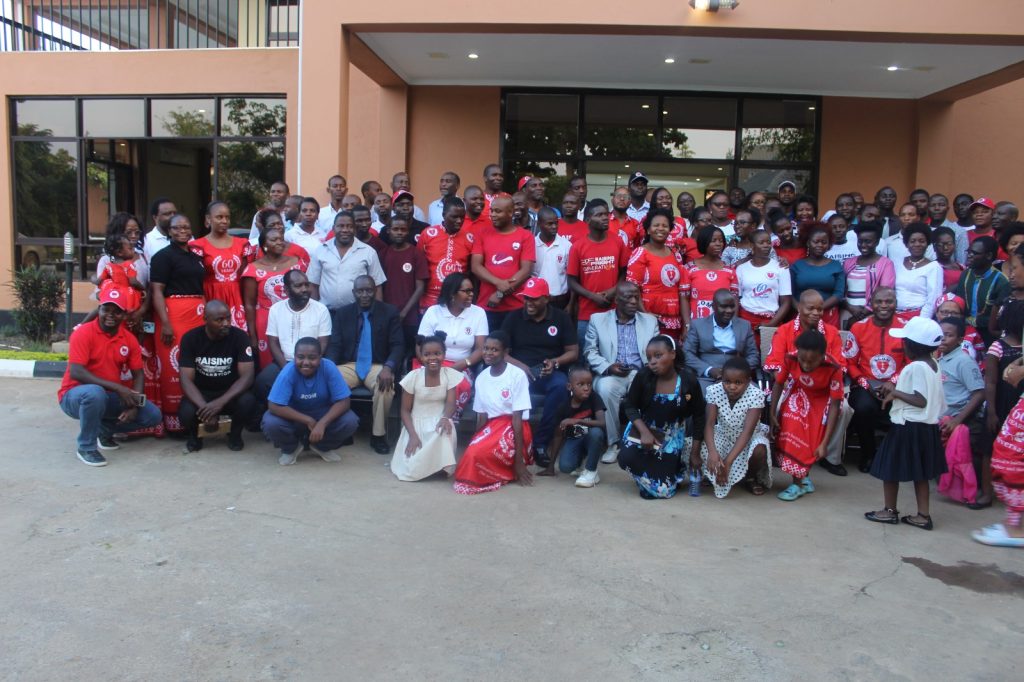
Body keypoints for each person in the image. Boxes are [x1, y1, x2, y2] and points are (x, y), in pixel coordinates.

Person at [57, 290, 163, 466]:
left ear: (124, 315)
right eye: (106, 309)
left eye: (117, 311)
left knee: (152, 415)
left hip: (107, 396)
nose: (110, 315)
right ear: (98, 310)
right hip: (73, 396)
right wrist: (118, 388)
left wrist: (134, 406)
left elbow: (138, 374)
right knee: (95, 393)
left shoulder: (128, 339)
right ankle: (86, 447)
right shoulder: (83, 333)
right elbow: (76, 372)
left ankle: (103, 431)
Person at [864, 317, 946, 530]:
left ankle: (889, 510)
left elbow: (920, 400)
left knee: (890, 468)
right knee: (921, 474)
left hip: (908, 425)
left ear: (913, 345)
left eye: (905, 341)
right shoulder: (933, 364)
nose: (903, 345)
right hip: (926, 426)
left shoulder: (916, 367)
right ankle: (923, 515)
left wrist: (895, 392)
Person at [500, 277, 579, 465]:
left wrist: (555, 362)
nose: (529, 302)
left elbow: (573, 352)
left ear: (546, 299)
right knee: (504, 386)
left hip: (547, 372)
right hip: (518, 372)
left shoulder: (561, 318)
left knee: (561, 386)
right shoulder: (513, 317)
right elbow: (501, 353)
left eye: (534, 299)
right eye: (526, 298)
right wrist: (521, 367)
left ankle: (541, 443)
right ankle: (507, 440)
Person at [618, 335, 706, 499]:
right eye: (649, 357)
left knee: (662, 492)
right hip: (642, 429)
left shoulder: (688, 380)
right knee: (625, 458)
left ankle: (662, 475)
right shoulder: (644, 375)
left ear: (672, 354)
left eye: (658, 356)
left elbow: (699, 415)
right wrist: (644, 432)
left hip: (671, 437)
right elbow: (629, 405)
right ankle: (651, 477)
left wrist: (695, 453)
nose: (652, 362)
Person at [583, 281, 659, 464]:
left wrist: (649, 369)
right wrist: (609, 367)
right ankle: (614, 443)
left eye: (636, 297)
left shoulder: (649, 321)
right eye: (628, 298)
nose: (633, 301)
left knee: (651, 387)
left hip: (641, 372)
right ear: (616, 300)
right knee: (605, 388)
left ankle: (643, 440)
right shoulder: (598, 320)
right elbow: (589, 351)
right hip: (611, 373)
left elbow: (657, 351)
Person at [326, 275, 404, 454]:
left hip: (377, 365)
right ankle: (342, 429)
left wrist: (388, 367)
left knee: (385, 386)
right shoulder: (342, 313)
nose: (365, 295)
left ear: (375, 291)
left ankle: (378, 435)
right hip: (349, 364)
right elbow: (335, 345)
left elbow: (398, 345)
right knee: (328, 380)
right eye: (360, 291)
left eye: (369, 290)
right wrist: (328, 367)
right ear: (354, 292)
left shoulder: (389, 312)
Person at [453, 331, 534, 495]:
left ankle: (513, 466)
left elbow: (517, 419)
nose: (488, 353)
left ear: (505, 352)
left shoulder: (517, 375)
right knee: (471, 454)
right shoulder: (481, 378)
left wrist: (519, 462)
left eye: (494, 350)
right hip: (492, 426)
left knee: (477, 455)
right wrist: (476, 440)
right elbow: (482, 417)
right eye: (486, 348)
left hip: (513, 426)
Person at [770, 330, 844, 501]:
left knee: (811, 440)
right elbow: (779, 383)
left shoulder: (834, 368)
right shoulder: (790, 358)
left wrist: (825, 443)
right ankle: (799, 482)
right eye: (802, 359)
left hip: (822, 401)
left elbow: (835, 404)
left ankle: (801, 480)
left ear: (823, 356)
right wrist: (773, 412)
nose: (806, 365)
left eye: (812, 361)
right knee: (793, 430)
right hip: (798, 393)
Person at [177, 300, 259, 453]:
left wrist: (220, 402)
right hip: (202, 394)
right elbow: (185, 380)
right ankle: (195, 437)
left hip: (229, 393)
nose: (226, 323)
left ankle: (234, 435)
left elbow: (247, 376)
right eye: (219, 320)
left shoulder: (240, 337)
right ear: (206, 319)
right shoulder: (190, 338)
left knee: (248, 401)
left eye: (228, 318)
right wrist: (206, 410)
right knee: (186, 412)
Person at [149, 213, 206, 431]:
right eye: (177, 228)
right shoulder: (162, 257)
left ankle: (198, 415)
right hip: (174, 315)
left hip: (197, 314)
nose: (182, 231)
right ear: (169, 231)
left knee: (197, 363)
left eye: (186, 227)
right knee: (175, 366)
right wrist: (165, 323)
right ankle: (176, 422)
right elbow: (157, 291)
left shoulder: (195, 255)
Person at [263, 337, 360, 465]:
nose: (306, 362)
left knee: (350, 421)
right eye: (300, 357)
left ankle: (322, 447)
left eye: (312, 358)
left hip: (323, 415)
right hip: (294, 417)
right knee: (270, 422)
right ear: (294, 357)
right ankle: (290, 449)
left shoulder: (329, 367)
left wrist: (323, 423)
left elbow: (344, 401)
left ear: (320, 357)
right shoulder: (288, 371)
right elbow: (274, 405)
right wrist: (308, 420)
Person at [846, 287, 906, 472]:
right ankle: (868, 455)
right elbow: (849, 362)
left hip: (899, 385)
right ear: (871, 304)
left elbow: (912, 362)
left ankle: (897, 458)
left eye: (889, 301)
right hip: (865, 383)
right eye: (879, 302)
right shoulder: (858, 327)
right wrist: (865, 383)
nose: (884, 305)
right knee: (863, 408)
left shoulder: (907, 328)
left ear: (896, 304)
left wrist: (893, 382)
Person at [390, 332, 459, 482]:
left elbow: (450, 403)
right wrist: (413, 436)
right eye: (427, 354)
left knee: (446, 428)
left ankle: (440, 467)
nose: (432, 358)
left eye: (437, 353)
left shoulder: (449, 375)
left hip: (439, 421)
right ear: (420, 356)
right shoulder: (413, 377)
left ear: (444, 354)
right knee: (411, 470)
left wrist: (445, 418)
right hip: (416, 425)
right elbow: (405, 410)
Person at [417, 272, 487, 419]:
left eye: (472, 290)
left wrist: (461, 365)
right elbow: (420, 345)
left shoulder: (478, 313)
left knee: (458, 385)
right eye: (466, 291)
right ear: (452, 294)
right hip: (431, 363)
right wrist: (433, 366)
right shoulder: (433, 312)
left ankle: (448, 423)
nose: (471, 294)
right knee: (425, 383)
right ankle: (426, 422)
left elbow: (481, 349)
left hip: (462, 366)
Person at [701, 358, 772, 498]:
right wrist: (712, 452)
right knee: (700, 443)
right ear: (722, 379)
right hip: (723, 433)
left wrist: (727, 463)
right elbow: (709, 424)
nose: (732, 386)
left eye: (738, 383)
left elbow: (747, 432)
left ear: (748, 381)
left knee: (759, 449)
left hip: (748, 438)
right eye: (727, 382)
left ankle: (750, 477)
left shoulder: (756, 394)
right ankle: (711, 473)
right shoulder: (714, 391)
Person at [935, 316, 987, 506]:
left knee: (967, 458)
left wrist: (958, 420)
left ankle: (976, 488)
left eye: (948, 335)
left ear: (960, 339)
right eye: (940, 335)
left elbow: (979, 393)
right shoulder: (939, 358)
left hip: (963, 419)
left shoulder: (964, 361)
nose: (943, 339)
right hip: (942, 419)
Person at [256, 270, 332, 399]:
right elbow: (273, 343)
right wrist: (286, 369)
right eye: (298, 286)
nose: (305, 289)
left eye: (306, 285)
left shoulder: (321, 310)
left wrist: (310, 363)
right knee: (262, 382)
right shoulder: (276, 309)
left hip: (312, 362)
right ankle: (276, 409)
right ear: (286, 290)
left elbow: (323, 343)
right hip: (284, 361)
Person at [241, 224, 304, 369]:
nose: (279, 242)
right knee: (269, 363)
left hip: (293, 317)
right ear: (264, 245)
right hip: (266, 321)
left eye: (281, 239)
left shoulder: (296, 263)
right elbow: (249, 305)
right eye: (274, 240)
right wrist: (253, 336)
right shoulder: (253, 269)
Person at [568, 199, 630, 340]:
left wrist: (613, 290)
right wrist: (592, 296)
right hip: (586, 314)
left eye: (606, 214)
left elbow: (624, 272)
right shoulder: (578, 247)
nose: (605, 218)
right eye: (599, 215)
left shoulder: (617, 241)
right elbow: (571, 281)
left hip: (614, 312)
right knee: (587, 352)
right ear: (588, 220)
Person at [537, 364, 607, 488]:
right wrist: (551, 466)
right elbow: (558, 436)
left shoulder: (594, 398)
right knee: (566, 467)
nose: (586, 388)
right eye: (581, 384)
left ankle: (591, 472)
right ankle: (580, 462)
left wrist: (576, 421)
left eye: (589, 384)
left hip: (591, 437)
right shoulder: (563, 407)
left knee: (596, 433)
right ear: (569, 387)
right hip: (575, 438)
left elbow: (602, 423)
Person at [470, 194, 534, 331]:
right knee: (488, 344)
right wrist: (498, 283)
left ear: (510, 213)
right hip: (487, 305)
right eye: (492, 210)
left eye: (498, 211)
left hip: (516, 307)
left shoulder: (526, 236)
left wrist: (499, 294)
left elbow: (526, 270)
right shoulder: (482, 233)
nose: (493, 214)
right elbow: (475, 266)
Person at [189, 201, 254, 331]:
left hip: (237, 297)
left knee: (236, 336)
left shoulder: (242, 244)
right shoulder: (197, 246)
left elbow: (245, 277)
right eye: (219, 217)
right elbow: (196, 278)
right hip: (211, 296)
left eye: (227, 217)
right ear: (208, 219)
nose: (224, 221)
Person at [984, 303, 1024, 507]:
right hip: (1000, 405)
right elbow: (990, 381)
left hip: (1020, 409)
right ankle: (987, 493)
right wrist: (991, 411)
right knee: (989, 448)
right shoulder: (998, 346)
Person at [307, 210, 387, 314]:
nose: (345, 230)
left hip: (358, 314)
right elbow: (313, 284)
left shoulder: (368, 252)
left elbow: (377, 285)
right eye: (340, 226)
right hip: (327, 313)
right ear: (333, 228)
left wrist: (377, 314)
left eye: (349, 226)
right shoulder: (321, 250)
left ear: (355, 229)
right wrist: (315, 312)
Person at [627, 208, 688, 338]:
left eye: (665, 226)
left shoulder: (675, 254)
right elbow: (632, 288)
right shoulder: (640, 253)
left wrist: (686, 324)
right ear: (648, 230)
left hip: (674, 321)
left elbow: (681, 291)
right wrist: (645, 314)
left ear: (670, 230)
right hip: (647, 319)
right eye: (656, 225)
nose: (660, 228)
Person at [683, 289, 759, 393]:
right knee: (701, 394)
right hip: (706, 378)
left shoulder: (744, 325)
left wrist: (738, 371)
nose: (729, 310)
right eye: (724, 306)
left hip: (737, 378)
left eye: (732, 306)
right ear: (713, 306)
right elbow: (687, 353)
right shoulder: (698, 325)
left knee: (755, 394)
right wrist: (708, 370)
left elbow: (753, 355)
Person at [379, 216, 428, 354]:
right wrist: (384, 311)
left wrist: (403, 313)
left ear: (408, 231)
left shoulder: (416, 254)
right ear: (388, 231)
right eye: (395, 229)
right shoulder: (383, 254)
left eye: (403, 229)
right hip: (388, 316)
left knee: (408, 353)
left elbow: (420, 287)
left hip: (410, 316)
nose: (399, 232)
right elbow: (379, 286)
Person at [735, 229, 792, 341]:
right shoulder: (741, 269)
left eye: (768, 242)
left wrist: (771, 324)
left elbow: (786, 302)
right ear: (752, 245)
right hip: (746, 320)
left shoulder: (781, 267)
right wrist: (736, 323)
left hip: (771, 321)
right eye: (761, 243)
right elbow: (736, 299)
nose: (766, 245)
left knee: (770, 351)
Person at [953, 235, 1009, 346]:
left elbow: (1001, 316)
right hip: (965, 330)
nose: (969, 255)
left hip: (988, 333)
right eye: (969, 252)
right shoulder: (965, 274)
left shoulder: (1001, 281)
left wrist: (976, 321)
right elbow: (959, 302)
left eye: (974, 253)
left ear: (989, 256)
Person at [417, 197, 473, 310]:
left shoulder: (470, 238)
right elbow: (419, 267)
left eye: (462, 217)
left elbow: (471, 272)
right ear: (443, 215)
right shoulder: (428, 234)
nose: (459, 221)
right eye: (454, 217)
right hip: (430, 300)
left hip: (458, 300)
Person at [789, 223, 844, 327]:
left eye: (824, 242)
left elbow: (839, 294)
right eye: (816, 241)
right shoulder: (797, 265)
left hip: (828, 316)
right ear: (808, 243)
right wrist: (801, 310)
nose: (820, 245)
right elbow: (789, 294)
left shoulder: (836, 266)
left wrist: (817, 310)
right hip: (801, 315)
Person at [682, 226, 738, 321]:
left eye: (721, 241)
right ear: (703, 242)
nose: (718, 244)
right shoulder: (689, 268)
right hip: (697, 324)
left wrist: (734, 323)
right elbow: (684, 298)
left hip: (723, 324)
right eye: (713, 241)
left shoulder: (730, 270)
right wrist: (687, 324)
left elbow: (735, 299)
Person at [892, 223, 942, 322]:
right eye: (912, 241)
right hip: (894, 315)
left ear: (927, 243)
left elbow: (933, 299)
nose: (917, 244)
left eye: (922, 241)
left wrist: (921, 321)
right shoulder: (897, 263)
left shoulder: (934, 267)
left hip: (919, 316)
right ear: (906, 244)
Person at [97, 231, 147, 320]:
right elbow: (133, 282)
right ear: (120, 252)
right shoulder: (129, 265)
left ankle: (82, 323)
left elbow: (99, 281)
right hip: (126, 293)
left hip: (112, 292)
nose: (133, 250)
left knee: (103, 307)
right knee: (128, 312)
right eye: (130, 248)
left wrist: (94, 280)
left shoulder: (109, 265)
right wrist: (143, 288)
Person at [533, 206, 572, 309]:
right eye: (549, 224)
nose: (554, 226)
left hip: (560, 301)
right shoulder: (531, 245)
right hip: (536, 301)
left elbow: (572, 277)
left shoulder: (566, 245)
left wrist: (571, 304)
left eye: (556, 223)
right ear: (539, 224)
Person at [934, 293, 986, 361]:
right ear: (936, 313)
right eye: (945, 312)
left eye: (955, 313)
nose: (949, 316)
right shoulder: (928, 330)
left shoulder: (971, 332)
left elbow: (981, 358)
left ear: (961, 316)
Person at [142, 197, 177, 263]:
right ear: (155, 217)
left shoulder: (186, 237)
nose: (173, 216)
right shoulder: (146, 241)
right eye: (167, 214)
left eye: (175, 213)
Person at [933, 225, 965, 293]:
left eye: (949, 244)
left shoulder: (962, 267)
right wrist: (960, 284)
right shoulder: (933, 268)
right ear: (934, 247)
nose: (946, 248)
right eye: (941, 245)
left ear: (954, 245)